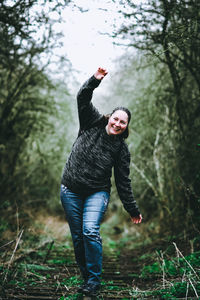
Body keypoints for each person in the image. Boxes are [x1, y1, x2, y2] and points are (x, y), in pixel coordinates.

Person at [60, 67, 142, 297]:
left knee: (90, 231)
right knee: (78, 237)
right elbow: (82, 97)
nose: (117, 124)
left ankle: (94, 281)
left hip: (97, 193)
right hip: (70, 190)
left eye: (123, 122)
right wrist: (95, 80)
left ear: (126, 126)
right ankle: (87, 278)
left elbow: (123, 182)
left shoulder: (121, 150)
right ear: (110, 116)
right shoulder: (91, 122)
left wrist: (132, 209)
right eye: (116, 118)